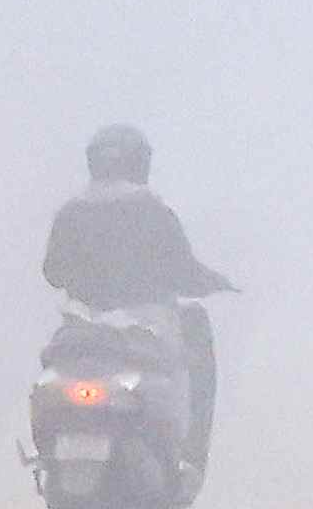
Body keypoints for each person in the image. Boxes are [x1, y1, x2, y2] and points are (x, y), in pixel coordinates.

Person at [41, 124, 228, 467]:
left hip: (81, 321)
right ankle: (188, 457)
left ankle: (47, 456)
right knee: (193, 352)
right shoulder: (154, 212)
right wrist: (219, 282)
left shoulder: (70, 213)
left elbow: (52, 272)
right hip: (148, 322)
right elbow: (183, 272)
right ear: (141, 163)